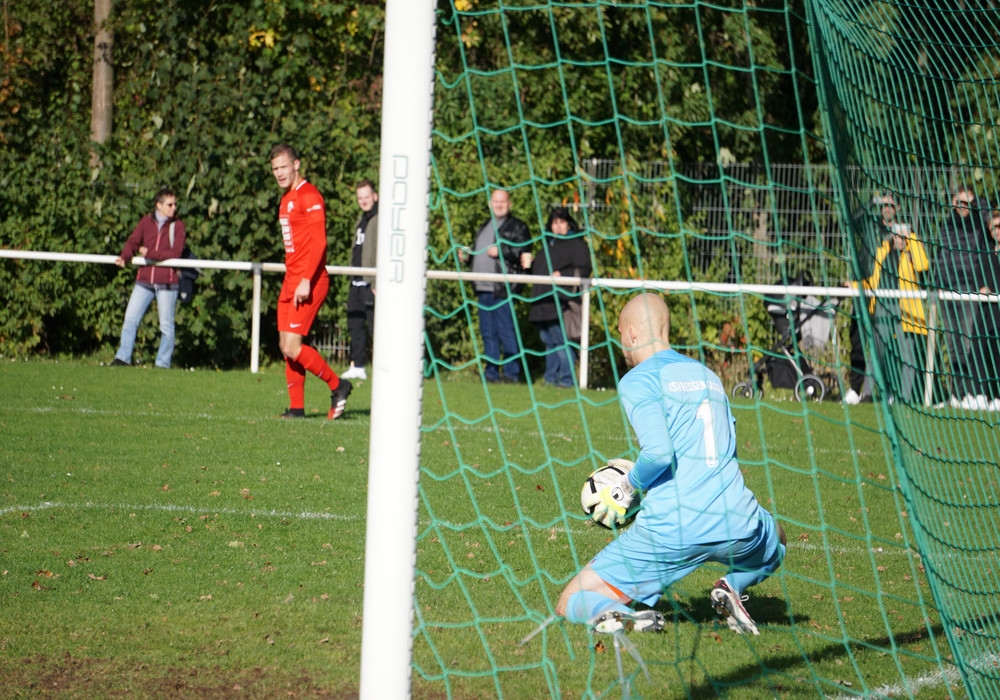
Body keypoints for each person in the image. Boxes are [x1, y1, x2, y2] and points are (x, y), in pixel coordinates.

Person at [555, 293, 786, 635]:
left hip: (673, 529)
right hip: (737, 520)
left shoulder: (638, 379)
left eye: (620, 335)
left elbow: (659, 453)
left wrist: (627, 486)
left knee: (571, 600)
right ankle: (731, 586)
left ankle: (628, 616)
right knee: (777, 537)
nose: (621, 345)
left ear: (631, 332)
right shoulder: (708, 375)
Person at [269, 143, 352, 420]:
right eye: (275, 168)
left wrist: (306, 280)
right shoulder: (286, 199)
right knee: (286, 347)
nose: (279, 173)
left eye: (283, 166)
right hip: (291, 280)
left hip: (310, 281)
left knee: (292, 346)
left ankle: (338, 386)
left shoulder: (309, 195)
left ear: (296, 165)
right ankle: (296, 408)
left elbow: (319, 242)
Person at [460, 189, 532, 384]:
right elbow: (482, 253)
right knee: (488, 333)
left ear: (509, 204)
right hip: (483, 288)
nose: (499, 205)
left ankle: (511, 373)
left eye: (503, 201)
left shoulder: (518, 226)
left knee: (505, 330)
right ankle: (491, 373)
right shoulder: (485, 225)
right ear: (490, 204)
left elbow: (524, 250)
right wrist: (468, 257)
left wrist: (502, 250)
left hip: (503, 288)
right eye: (496, 201)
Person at [112, 188, 186, 368]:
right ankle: (122, 359)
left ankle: (162, 364)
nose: (174, 208)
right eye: (170, 204)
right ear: (158, 205)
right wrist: (124, 256)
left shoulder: (178, 226)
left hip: (167, 282)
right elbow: (133, 242)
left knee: (166, 326)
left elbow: (175, 253)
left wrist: (150, 254)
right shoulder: (146, 222)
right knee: (130, 318)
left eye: (175, 204)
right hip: (144, 280)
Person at [860, 217, 930, 404]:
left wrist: (912, 238)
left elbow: (923, 265)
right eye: (898, 235)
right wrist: (854, 285)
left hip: (905, 310)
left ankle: (904, 398)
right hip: (883, 306)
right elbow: (874, 280)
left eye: (904, 236)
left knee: (908, 357)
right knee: (877, 351)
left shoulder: (912, 253)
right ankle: (866, 394)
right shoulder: (883, 251)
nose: (900, 239)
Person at [936, 184, 992, 407]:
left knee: (969, 342)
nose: (962, 206)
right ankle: (957, 394)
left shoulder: (978, 223)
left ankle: (972, 392)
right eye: (958, 202)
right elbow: (941, 256)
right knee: (953, 344)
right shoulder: (947, 225)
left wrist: (975, 202)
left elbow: (988, 211)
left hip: (970, 289)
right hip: (948, 290)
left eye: (967, 203)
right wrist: (939, 284)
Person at [528, 207, 592, 388]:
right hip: (542, 301)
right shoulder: (547, 246)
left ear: (568, 224)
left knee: (560, 341)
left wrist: (563, 275)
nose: (558, 226)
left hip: (561, 301)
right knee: (548, 341)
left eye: (561, 222)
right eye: (555, 222)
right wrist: (529, 265)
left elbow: (585, 269)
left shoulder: (576, 245)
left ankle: (566, 379)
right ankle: (551, 378)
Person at [341, 179, 379, 381]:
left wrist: (376, 282)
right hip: (356, 281)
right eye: (360, 198)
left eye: (367, 196)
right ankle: (358, 366)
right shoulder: (361, 220)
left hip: (371, 282)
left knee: (375, 327)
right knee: (355, 324)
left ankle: (383, 366)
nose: (363, 201)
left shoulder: (380, 219)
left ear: (375, 196)